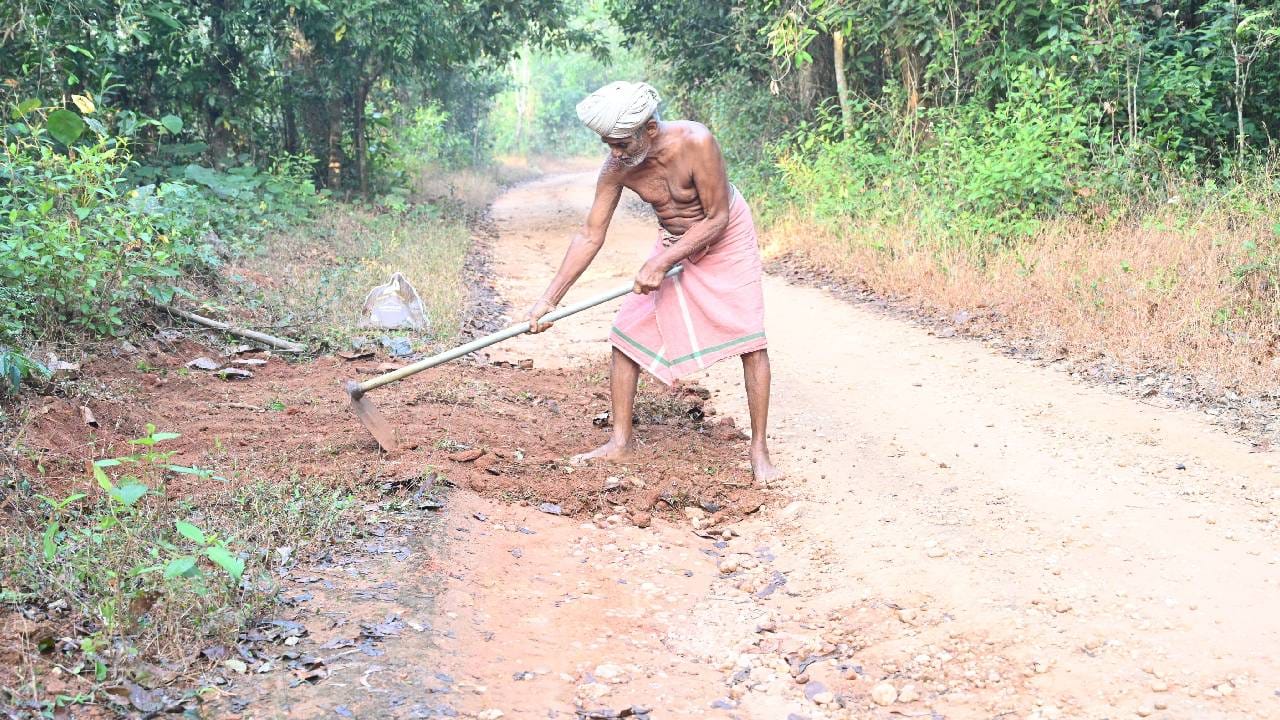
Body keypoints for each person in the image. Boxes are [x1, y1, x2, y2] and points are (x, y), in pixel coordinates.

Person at [525, 81, 780, 484]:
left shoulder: (697, 142)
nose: (615, 153)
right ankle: (620, 441)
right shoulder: (617, 167)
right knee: (625, 331)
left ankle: (759, 448)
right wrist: (548, 300)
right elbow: (590, 234)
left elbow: (716, 219)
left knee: (749, 336)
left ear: (649, 130)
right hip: (674, 243)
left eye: (622, 143)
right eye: (608, 144)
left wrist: (661, 262)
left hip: (725, 237)